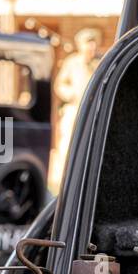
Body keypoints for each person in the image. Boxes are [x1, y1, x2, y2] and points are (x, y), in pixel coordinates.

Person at [49, 27, 101, 194]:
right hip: (73, 110)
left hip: (93, 111)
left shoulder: (99, 63)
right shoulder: (72, 62)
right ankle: (66, 178)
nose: (91, 48)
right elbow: (59, 85)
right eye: (88, 44)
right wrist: (71, 94)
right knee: (67, 145)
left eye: (93, 44)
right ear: (81, 45)